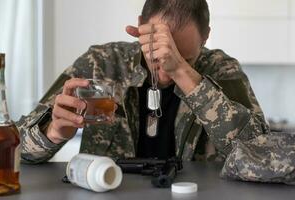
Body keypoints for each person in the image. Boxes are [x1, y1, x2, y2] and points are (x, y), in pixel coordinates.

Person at [17, 0, 269, 164]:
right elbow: (16, 150)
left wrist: (185, 74)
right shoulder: (100, 63)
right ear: (140, 27)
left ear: (206, 38)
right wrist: (52, 133)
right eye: (156, 55)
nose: (166, 74)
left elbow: (263, 155)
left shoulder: (221, 69)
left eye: (184, 58)